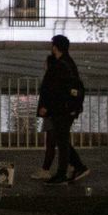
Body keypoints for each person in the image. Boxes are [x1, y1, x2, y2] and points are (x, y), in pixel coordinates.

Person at [38, 35, 87, 184]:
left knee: (63, 141)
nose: (51, 47)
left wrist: (46, 106)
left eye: (52, 45)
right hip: (65, 108)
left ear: (56, 47)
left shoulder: (61, 65)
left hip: (62, 110)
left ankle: (62, 174)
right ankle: (78, 167)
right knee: (62, 140)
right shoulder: (66, 63)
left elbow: (55, 89)